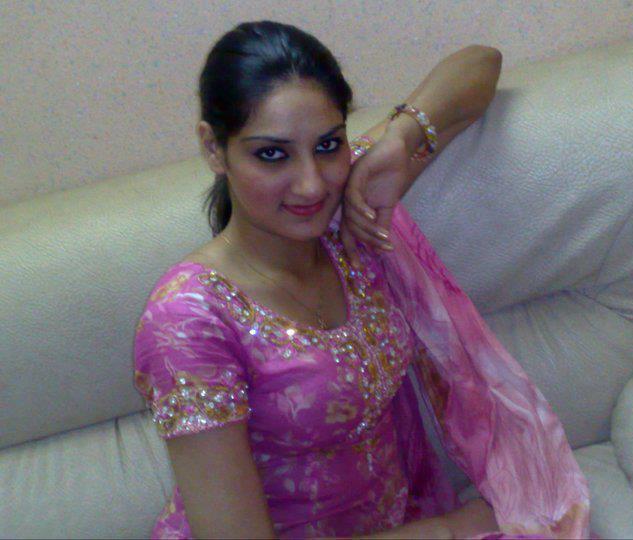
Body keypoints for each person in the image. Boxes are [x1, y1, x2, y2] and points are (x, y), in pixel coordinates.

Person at [133, 20, 591, 540]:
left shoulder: (346, 216)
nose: (311, 184)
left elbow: (481, 64)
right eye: (272, 154)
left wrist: (400, 137)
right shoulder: (188, 320)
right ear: (214, 148)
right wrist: (448, 531)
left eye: (328, 145)